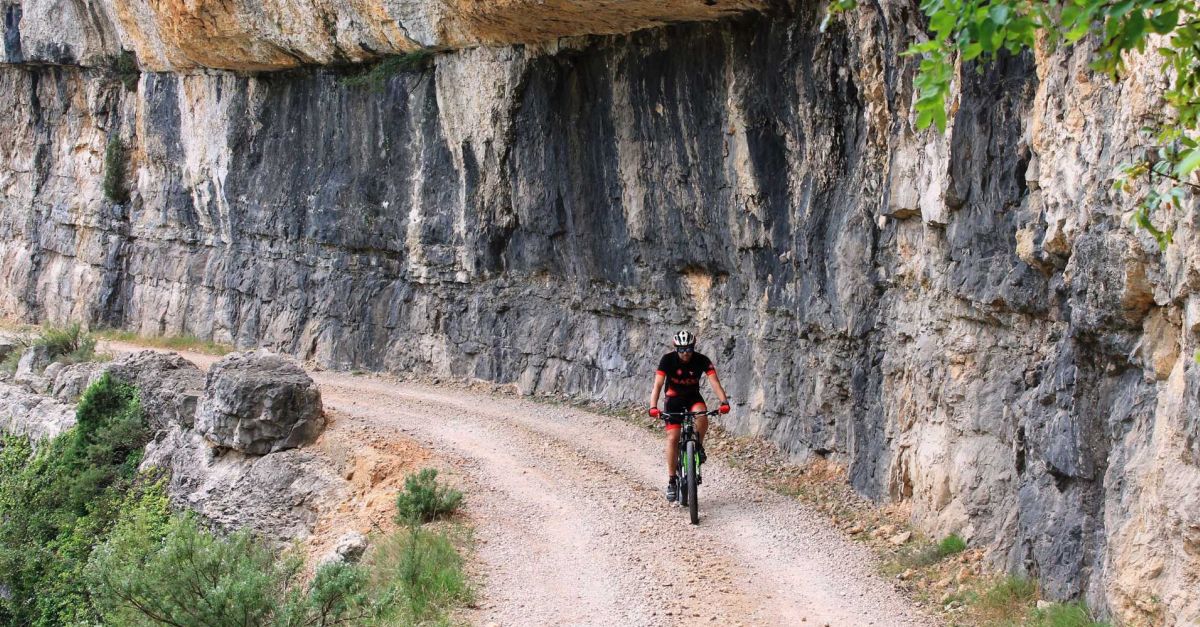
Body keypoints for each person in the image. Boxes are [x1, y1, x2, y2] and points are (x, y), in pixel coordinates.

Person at [647, 330, 730, 503]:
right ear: (676, 348)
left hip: (693, 398)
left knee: (702, 416)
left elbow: (715, 382)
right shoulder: (667, 360)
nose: (686, 353)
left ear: (694, 348)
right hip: (673, 399)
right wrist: (653, 407)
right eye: (682, 349)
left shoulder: (702, 360)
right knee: (673, 437)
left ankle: (698, 447)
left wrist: (724, 402)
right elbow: (658, 385)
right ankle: (671, 481)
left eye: (689, 349)